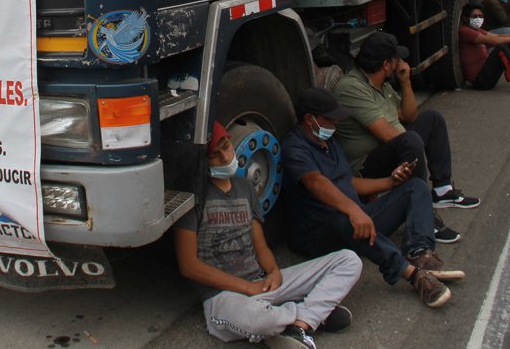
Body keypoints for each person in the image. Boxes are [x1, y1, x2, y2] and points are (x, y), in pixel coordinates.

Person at [174, 121, 362, 348]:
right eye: (215, 155)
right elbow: (189, 265)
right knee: (261, 319)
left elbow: (260, 246)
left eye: (226, 146)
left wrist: (273, 272)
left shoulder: (244, 187)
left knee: (349, 260)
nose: (226, 157)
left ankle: (297, 325)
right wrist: (245, 288)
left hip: (261, 284)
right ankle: (308, 316)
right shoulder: (193, 197)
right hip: (222, 297)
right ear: (203, 162)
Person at [282, 88, 464, 309]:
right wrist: (354, 210)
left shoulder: (328, 142)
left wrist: (390, 182)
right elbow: (315, 182)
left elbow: (347, 182)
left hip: (357, 223)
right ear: (310, 120)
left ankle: (420, 254)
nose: (335, 124)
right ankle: (412, 275)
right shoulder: (294, 148)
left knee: (415, 187)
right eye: (330, 119)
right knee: (343, 218)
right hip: (320, 235)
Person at [331, 32, 480, 240]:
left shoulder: (382, 85)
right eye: (396, 60)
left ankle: (443, 190)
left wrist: (406, 82)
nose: (400, 63)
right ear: (385, 64)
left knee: (432, 119)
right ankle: (424, 215)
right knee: (410, 141)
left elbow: (409, 115)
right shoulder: (353, 88)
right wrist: (413, 144)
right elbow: (387, 135)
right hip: (364, 166)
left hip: (390, 146)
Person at [459, 3, 510, 94]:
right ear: (466, 18)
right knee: (501, 47)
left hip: (486, 74)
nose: (478, 19)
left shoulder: (476, 30)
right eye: (475, 16)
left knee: (508, 43)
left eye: (480, 16)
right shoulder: (465, 31)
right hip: (480, 81)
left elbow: (497, 35)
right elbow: (493, 41)